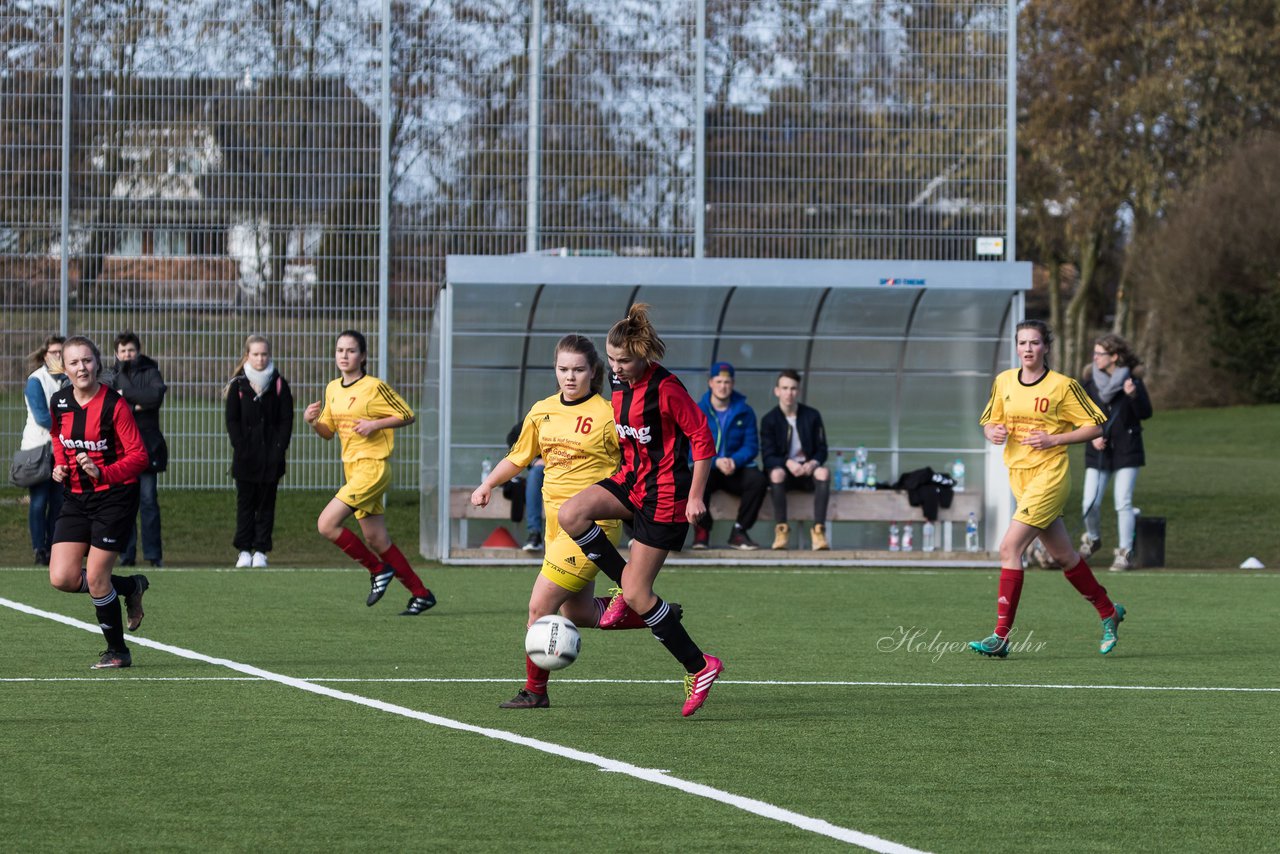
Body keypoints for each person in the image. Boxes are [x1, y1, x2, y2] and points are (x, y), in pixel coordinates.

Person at [557, 303, 726, 717]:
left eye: (624, 360)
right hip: (632, 481)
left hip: (666, 497)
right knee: (572, 514)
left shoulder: (667, 390)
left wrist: (696, 496)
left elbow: (703, 441)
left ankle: (700, 665)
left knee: (637, 593)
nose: (616, 367)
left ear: (644, 355)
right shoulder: (617, 384)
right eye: (611, 359)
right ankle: (625, 585)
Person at [473, 334, 642, 709]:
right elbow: (518, 457)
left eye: (578, 369)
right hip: (555, 528)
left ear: (594, 371)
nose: (570, 376)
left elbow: (636, 462)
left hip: (591, 527)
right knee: (577, 612)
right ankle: (652, 613)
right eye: (563, 369)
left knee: (538, 609)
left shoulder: (608, 413)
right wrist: (487, 484)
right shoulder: (543, 410)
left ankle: (535, 691)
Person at [970, 319, 1126, 658]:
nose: (1028, 348)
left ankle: (1001, 637)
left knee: (1009, 548)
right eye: (1023, 342)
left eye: (1035, 343)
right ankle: (1108, 610)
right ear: (1016, 347)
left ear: (1046, 347)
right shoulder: (1004, 381)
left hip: (1050, 476)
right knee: (1063, 556)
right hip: (1020, 477)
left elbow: (1096, 426)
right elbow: (989, 419)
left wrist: (1054, 438)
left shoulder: (1062, 386)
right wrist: (991, 432)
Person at [304, 329, 436, 615]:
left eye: (351, 351)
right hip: (354, 472)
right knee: (377, 539)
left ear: (362, 356)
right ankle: (421, 593)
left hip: (373, 468)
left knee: (326, 524)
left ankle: (378, 570)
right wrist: (313, 422)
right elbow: (328, 432)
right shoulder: (333, 389)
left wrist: (375, 425)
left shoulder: (374, 387)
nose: (344, 355)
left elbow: (407, 414)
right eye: (340, 350)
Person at [47, 336, 151, 669]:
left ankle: (118, 651)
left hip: (115, 497)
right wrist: (60, 465)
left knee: (95, 576)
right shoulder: (60, 401)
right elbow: (57, 436)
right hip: (76, 497)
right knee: (62, 578)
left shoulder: (113, 405)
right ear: (64, 366)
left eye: (88, 361)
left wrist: (102, 471)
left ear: (98, 363)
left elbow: (139, 457)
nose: (82, 368)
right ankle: (131, 586)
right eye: (74, 362)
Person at [1080, 333, 1153, 571]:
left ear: (1114, 357)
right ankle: (1092, 538)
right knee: (1089, 503)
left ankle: (1125, 553)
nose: (1095, 358)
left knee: (1123, 502)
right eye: (1095, 353)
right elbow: (1078, 416)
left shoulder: (1132, 381)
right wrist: (1092, 436)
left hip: (1127, 450)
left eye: (1100, 354)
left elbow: (1145, 413)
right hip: (1097, 452)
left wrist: (1133, 395)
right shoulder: (1089, 383)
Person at [225, 335, 294, 568]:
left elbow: (286, 420)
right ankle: (244, 550)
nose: (260, 358)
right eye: (255, 354)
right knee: (245, 505)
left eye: (264, 354)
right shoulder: (238, 385)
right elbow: (232, 419)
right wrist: (241, 445)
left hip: (271, 460)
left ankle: (261, 551)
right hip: (245, 459)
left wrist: (278, 448)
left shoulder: (279, 384)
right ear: (247, 356)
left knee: (266, 505)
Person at [102, 330, 168, 568]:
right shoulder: (110, 374)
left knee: (149, 502)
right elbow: (110, 405)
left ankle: (153, 555)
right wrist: (134, 404)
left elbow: (155, 396)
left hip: (148, 447)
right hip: (121, 450)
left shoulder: (150, 370)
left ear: (138, 351)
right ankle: (125, 554)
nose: (127, 355)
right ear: (116, 353)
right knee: (124, 503)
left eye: (131, 350)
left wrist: (126, 395)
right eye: (123, 351)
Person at [691, 361, 767, 550]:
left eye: (727, 382)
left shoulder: (745, 411)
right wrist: (716, 462)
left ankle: (739, 532)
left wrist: (734, 461)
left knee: (758, 480)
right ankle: (702, 531)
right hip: (710, 467)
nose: (723, 386)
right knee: (696, 477)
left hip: (737, 469)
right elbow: (691, 446)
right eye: (719, 381)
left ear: (732, 384)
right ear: (710, 383)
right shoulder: (698, 411)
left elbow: (751, 446)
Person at [759, 369, 831, 551]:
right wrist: (787, 462)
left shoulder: (812, 416)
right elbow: (768, 456)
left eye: (793, 388)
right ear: (777, 391)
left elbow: (822, 449)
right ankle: (782, 529)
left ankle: (819, 531)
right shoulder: (769, 420)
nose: (788, 393)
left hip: (808, 472)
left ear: (798, 391)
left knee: (823, 472)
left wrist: (813, 463)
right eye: (784, 388)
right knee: (775, 473)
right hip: (785, 474)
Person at [21, 335, 68, 565]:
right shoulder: (36, 380)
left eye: (62, 352)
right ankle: (39, 548)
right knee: (39, 501)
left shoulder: (68, 379)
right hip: (38, 449)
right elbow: (41, 417)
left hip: (61, 450)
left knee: (59, 501)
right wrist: (68, 428)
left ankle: (52, 548)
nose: (58, 356)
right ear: (45, 354)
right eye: (54, 352)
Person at [505, 420, 546, 552]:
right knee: (535, 473)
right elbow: (512, 437)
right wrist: (533, 460)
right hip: (543, 471)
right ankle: (535, 534)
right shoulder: (540, 415)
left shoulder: (572, 418)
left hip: (572, 469)